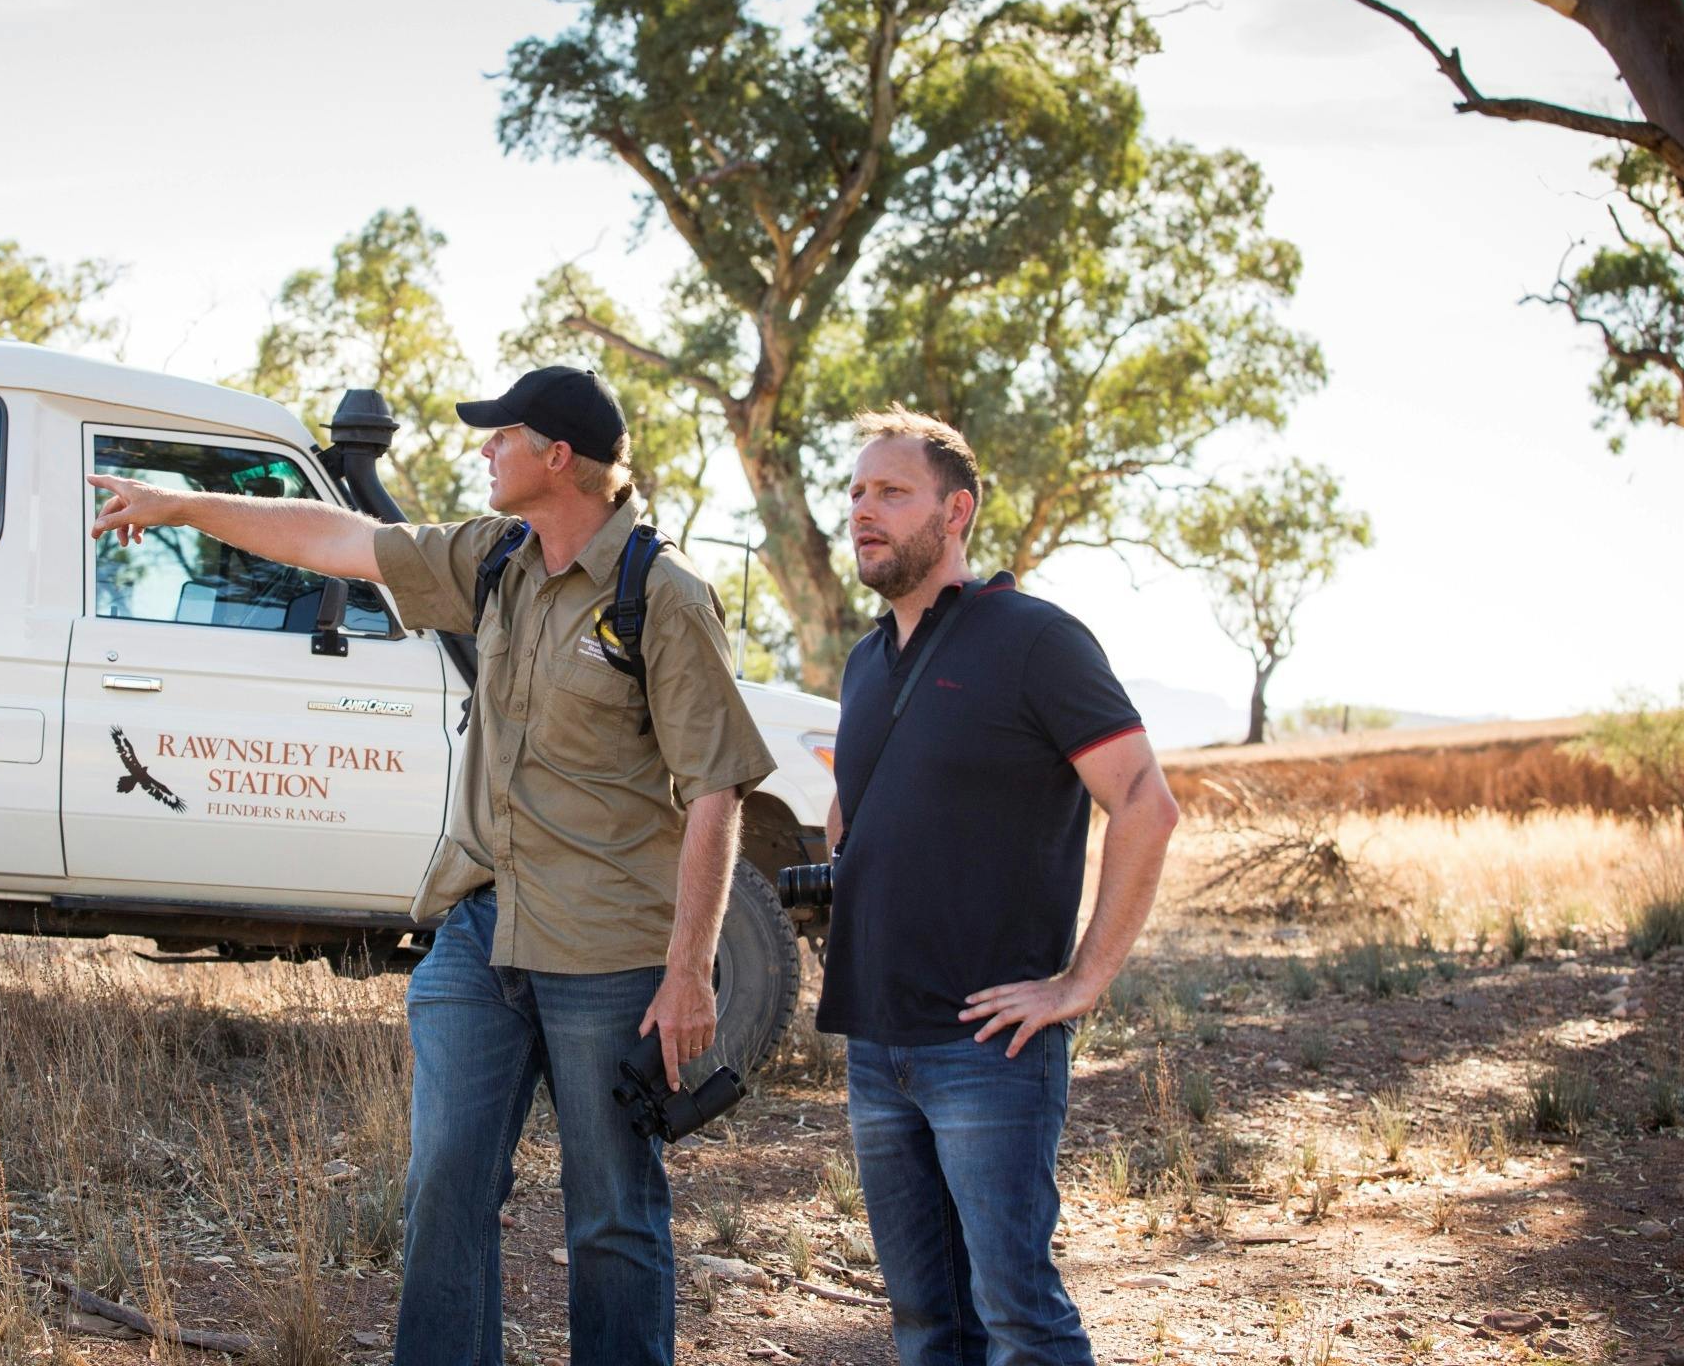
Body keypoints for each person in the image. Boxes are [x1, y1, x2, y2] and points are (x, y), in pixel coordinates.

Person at [89, 366, 775, 1366]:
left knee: (612, 1214)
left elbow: (717, 788)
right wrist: (181, 503)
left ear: (558, 456)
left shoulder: (662, 596)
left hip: (608, 952)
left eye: (501, 434)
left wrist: (688, 968)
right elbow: (336, 540)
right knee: (444, 1182)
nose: (481, 448)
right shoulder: (494, 556)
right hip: (478, 930)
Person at [817, 405, 1179, 1366]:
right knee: (926, 1323)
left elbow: (1146, 802)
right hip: (875, 1040)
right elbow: (856, 815)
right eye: (856, 492)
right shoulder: (863, 664)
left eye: (893, 492)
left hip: (988, 1043)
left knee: (1019, 1316)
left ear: (957, 511)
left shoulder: (1034, 639)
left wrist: (1080, 984)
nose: (865, 510)